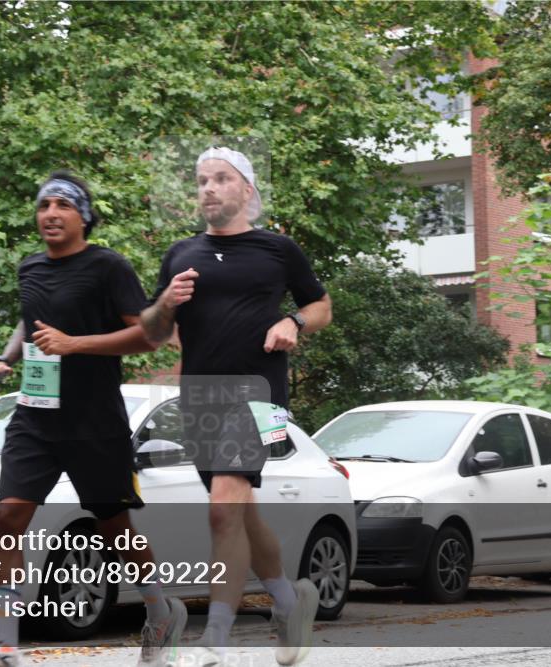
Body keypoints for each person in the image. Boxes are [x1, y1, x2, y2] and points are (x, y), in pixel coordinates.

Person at [0, 171, 186, 667]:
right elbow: (30, 319)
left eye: (62, 205)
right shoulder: (30, 267)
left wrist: (74, 344)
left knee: (115, 529)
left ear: (82, 216)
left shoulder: (108, 267)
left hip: (95, 421)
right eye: (43, 206)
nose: (50, 214)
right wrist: (5, 359)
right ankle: (5, 646)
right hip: (36, 418)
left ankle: (160, 610)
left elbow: (149, 337)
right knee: (8, 517)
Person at [140, 148, 332, 667]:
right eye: (202, 180)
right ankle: (290, 603)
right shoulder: (180, 255)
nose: (208, 188)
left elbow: (321, 304)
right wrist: (165, 304)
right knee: (239, 514)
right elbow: (154, 335)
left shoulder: (277, 249)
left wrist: (294, 322)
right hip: (201, 396)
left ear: (246, 189)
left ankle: (215, 640)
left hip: (259, 393)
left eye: (221, 179)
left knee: (224, 506)